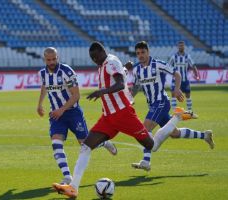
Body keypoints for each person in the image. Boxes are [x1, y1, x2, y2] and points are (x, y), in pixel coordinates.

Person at [52, 41, 194, 198]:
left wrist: (102, 92)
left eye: (95, 57)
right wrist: (126, 68)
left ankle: (177, 117)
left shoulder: (110, 62)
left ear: (101, 52)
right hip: (108, 117)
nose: (94, 60)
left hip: (123, 114)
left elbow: (119, 84)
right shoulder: (105, 64)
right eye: (91, 58)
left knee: (151, 145)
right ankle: (73, 188)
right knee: (86, 146)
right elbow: (121, 75)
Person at [128, 41, 214, 171]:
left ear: (148, 52)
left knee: (145, 128)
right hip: (153, 105)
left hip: (161, 102)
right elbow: (136, 87)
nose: (140, 55)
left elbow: (177, 74)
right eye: (138, 53)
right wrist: (129, 99)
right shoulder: (136, 69)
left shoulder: (157, 64)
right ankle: (205, 135)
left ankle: (146, 161)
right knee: (174, 133)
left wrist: (177, 89)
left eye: (143, 52)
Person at [37, 47, 117, 185]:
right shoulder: (43, 73)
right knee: (56, 144)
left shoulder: (66, 72)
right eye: (49, 60)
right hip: (56, 115)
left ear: (58, 57)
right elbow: (44, 86)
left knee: (85, 142)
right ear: (44, 59)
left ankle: (104, 143)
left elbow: (76, 95)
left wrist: (62, 109)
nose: (52, 62)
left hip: (73, 113)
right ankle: (67, 177)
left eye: (54, 59)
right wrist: (39, 104)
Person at [168, 41, 200, 111]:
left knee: (188, 95)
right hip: (175, 80)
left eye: (182, 46)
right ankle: (174, 112)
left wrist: (196, 75)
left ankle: (189, 111)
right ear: (178, 47)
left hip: (185, 80)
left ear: (184, 47)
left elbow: (193, 66)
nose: (181, 47)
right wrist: (172, 74)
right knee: (173, 94)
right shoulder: (174, 57)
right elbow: (168, 66)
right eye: (180, 46)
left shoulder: (187, 56)